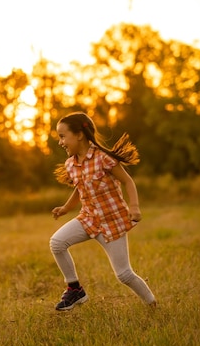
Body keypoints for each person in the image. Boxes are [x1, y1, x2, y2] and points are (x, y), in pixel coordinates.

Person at [49, 111, 156, 311]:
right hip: (88, 219)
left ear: (79, 135)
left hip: (111, 222)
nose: (60, 142)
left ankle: (152, 303)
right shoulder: (71, 164)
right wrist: (66, 208)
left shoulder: (102, 158)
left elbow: (127, 181)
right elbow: (79, 188)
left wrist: (134, 207)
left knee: (124, 274)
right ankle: (75, 289)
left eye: (63, 136)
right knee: (57, 242)